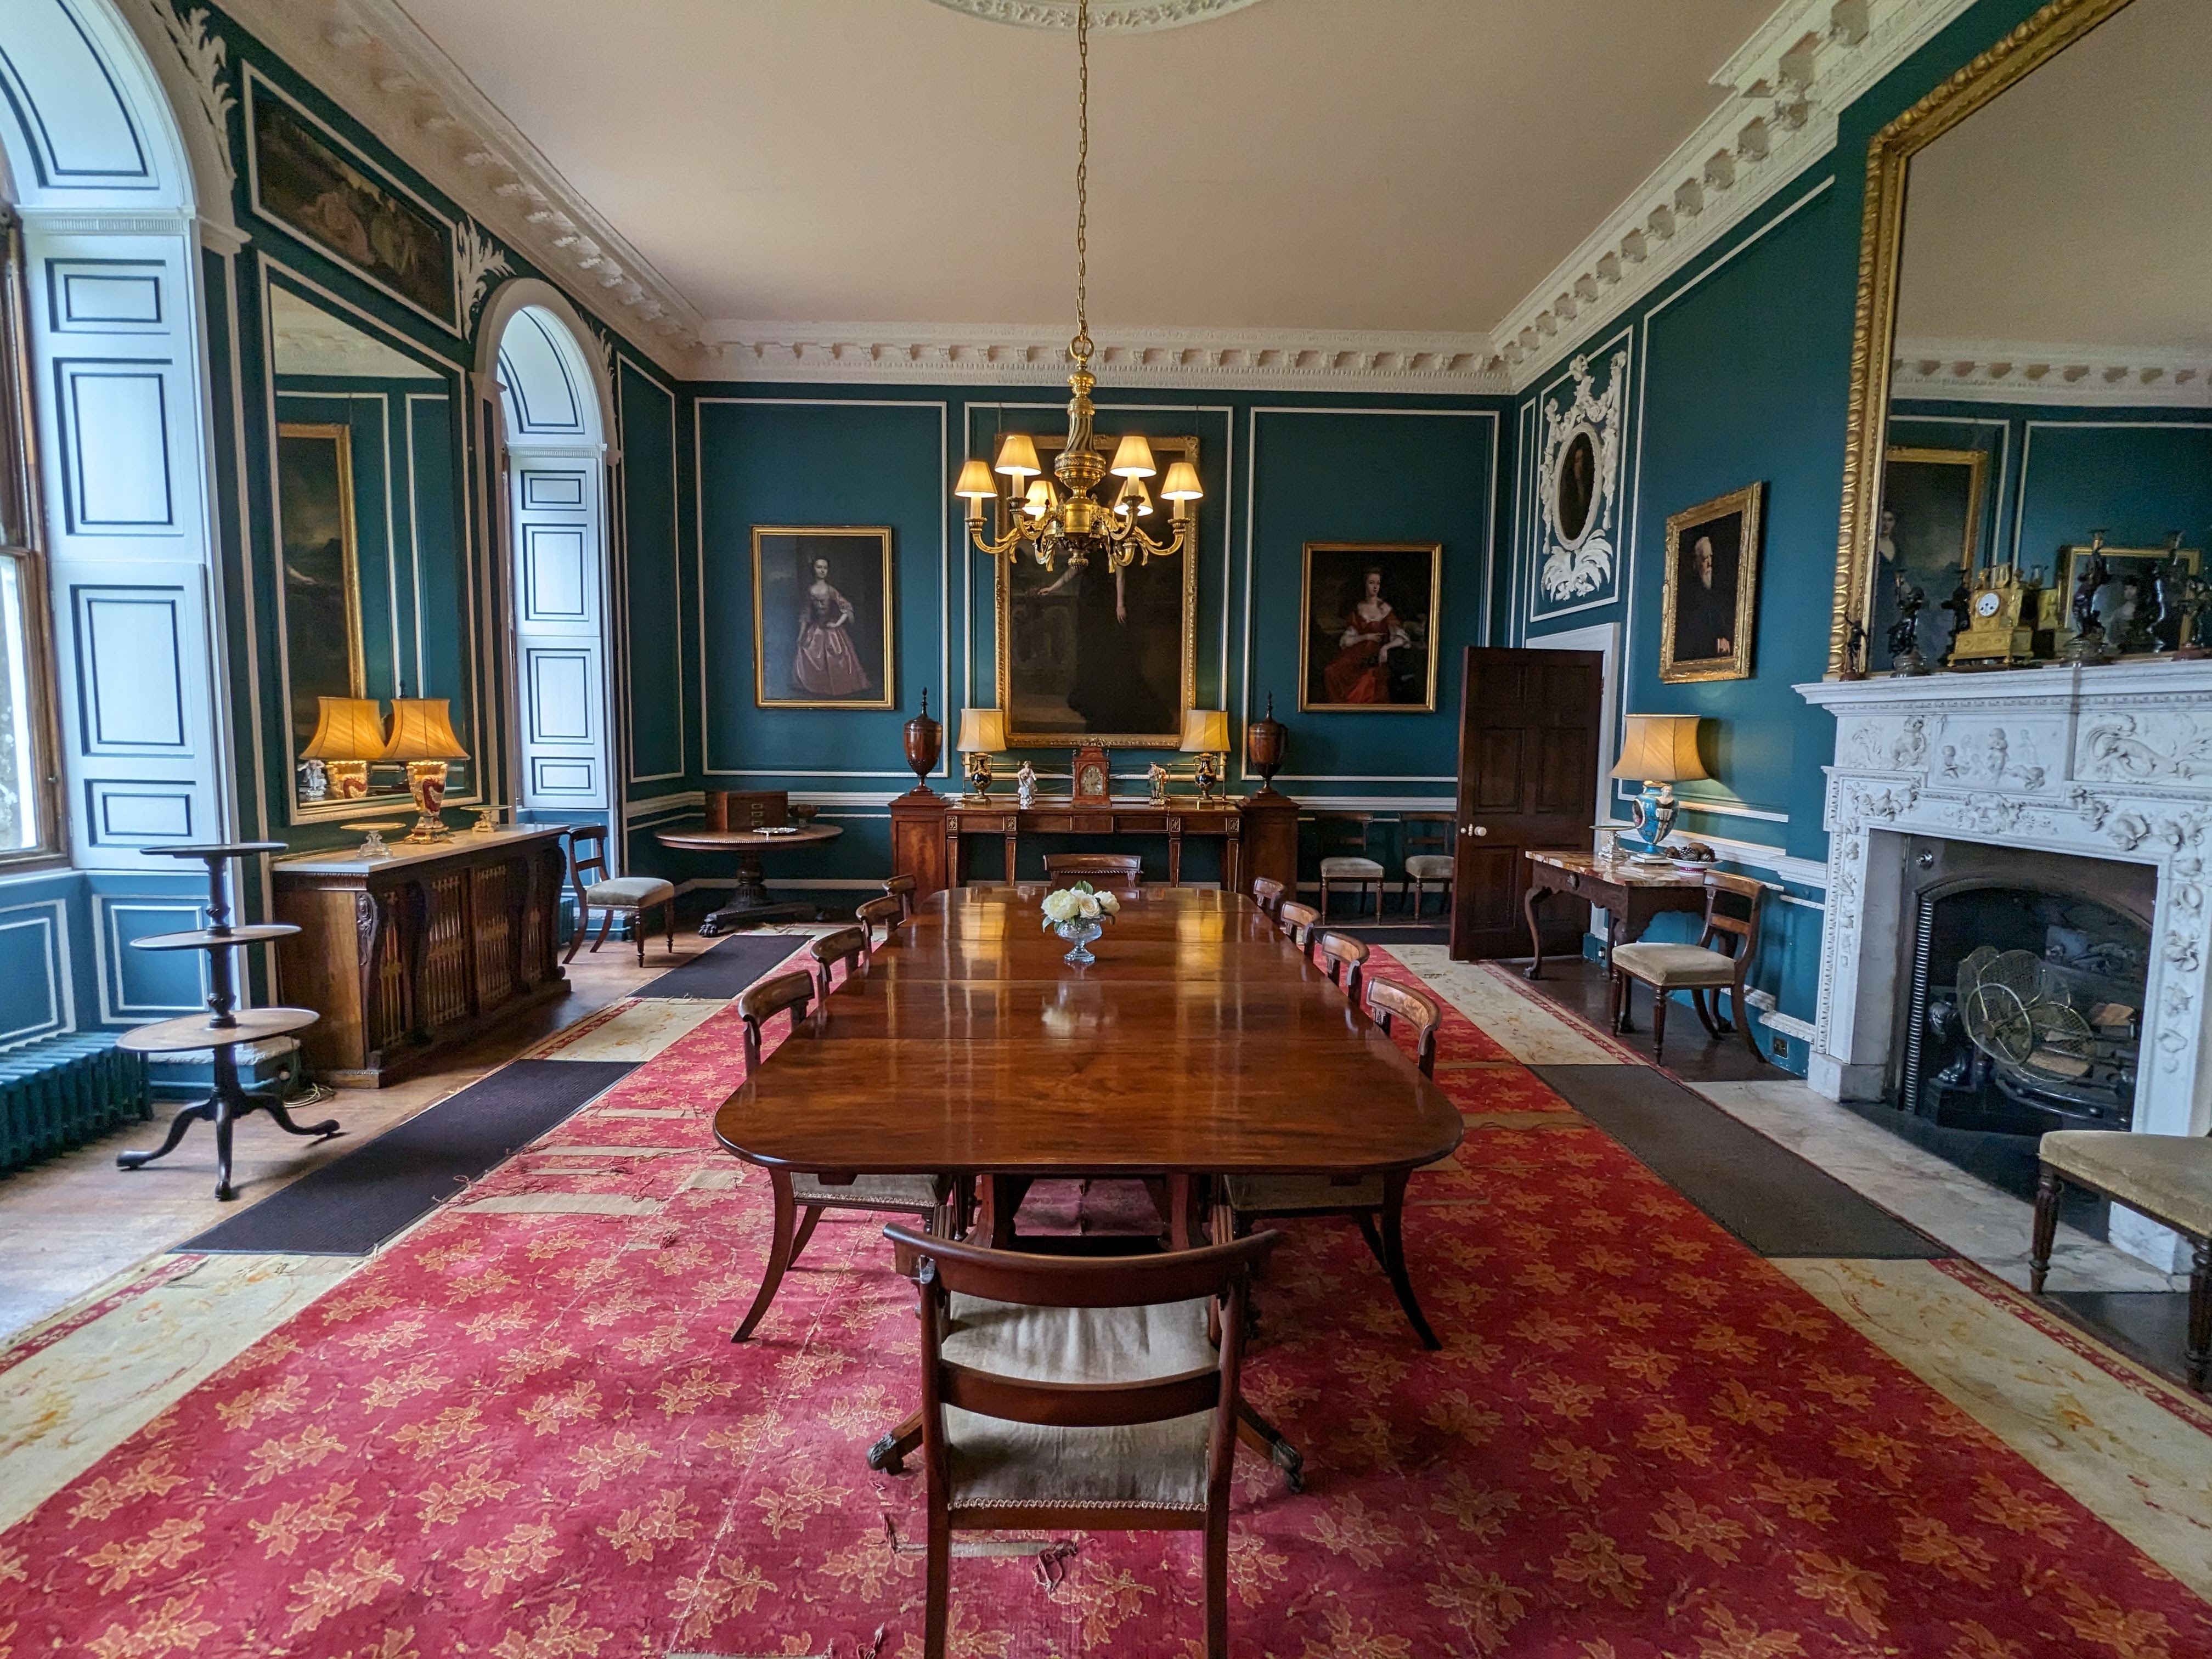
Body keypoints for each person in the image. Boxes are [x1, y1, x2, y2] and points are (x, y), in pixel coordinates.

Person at [1322, 568, 1410, 704]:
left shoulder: (1385, 609)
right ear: (1365, 584)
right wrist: (1366, 637)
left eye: (1378, 583)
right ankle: (1337, 709)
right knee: (1331, 670)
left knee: (1368, 682)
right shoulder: (1358, 609)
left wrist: (1385, 648)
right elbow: (1348, 640)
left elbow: (1402, 639)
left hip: (1374, 656)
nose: (1375, 587)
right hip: (1356, 652)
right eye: (1371, 583)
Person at [792, 556, 872, 697]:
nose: (822, 571)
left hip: (832, 632)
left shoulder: (831, 590)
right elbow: (806, 614)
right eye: (819, 567)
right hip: (816, 632)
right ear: (814, 570)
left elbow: (846, 608)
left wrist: (837, 624)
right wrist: (800, 636)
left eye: (825, 568)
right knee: (809, 654)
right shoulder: (810, 591)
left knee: (837, 659)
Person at [1672, 533, 1736, 662]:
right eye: (1704, 559)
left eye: (1710, 557)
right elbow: (1688, 637)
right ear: (1696, 562)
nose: (1709, 564)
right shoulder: (1687, 594)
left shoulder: (1720, 587)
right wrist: (1716, 644)